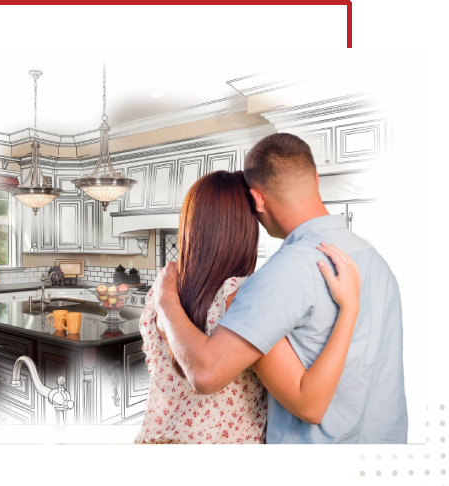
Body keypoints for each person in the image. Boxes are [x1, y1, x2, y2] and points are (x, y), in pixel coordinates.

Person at [150, 133, 407, 445]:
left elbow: (206, 374)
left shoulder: (282, 274)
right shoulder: (373, 260)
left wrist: (165, 299)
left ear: (257, 199)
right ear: (315, 177)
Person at [134, 170, 362, 445]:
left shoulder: (161, 291)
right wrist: (349, 307)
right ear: (246, 228)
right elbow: (309, 404)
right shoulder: (241, 297)